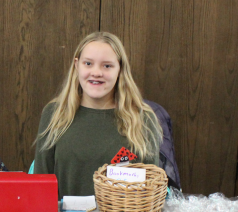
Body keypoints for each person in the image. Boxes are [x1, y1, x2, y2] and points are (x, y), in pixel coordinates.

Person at [34, 32, 162, 198]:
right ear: (76, 65)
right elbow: (40, 185)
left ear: (120, 69)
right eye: (88, 63)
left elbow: (150, 190)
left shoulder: (142, 119)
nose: (96, 72)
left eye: (107, 66)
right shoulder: (54, 114)